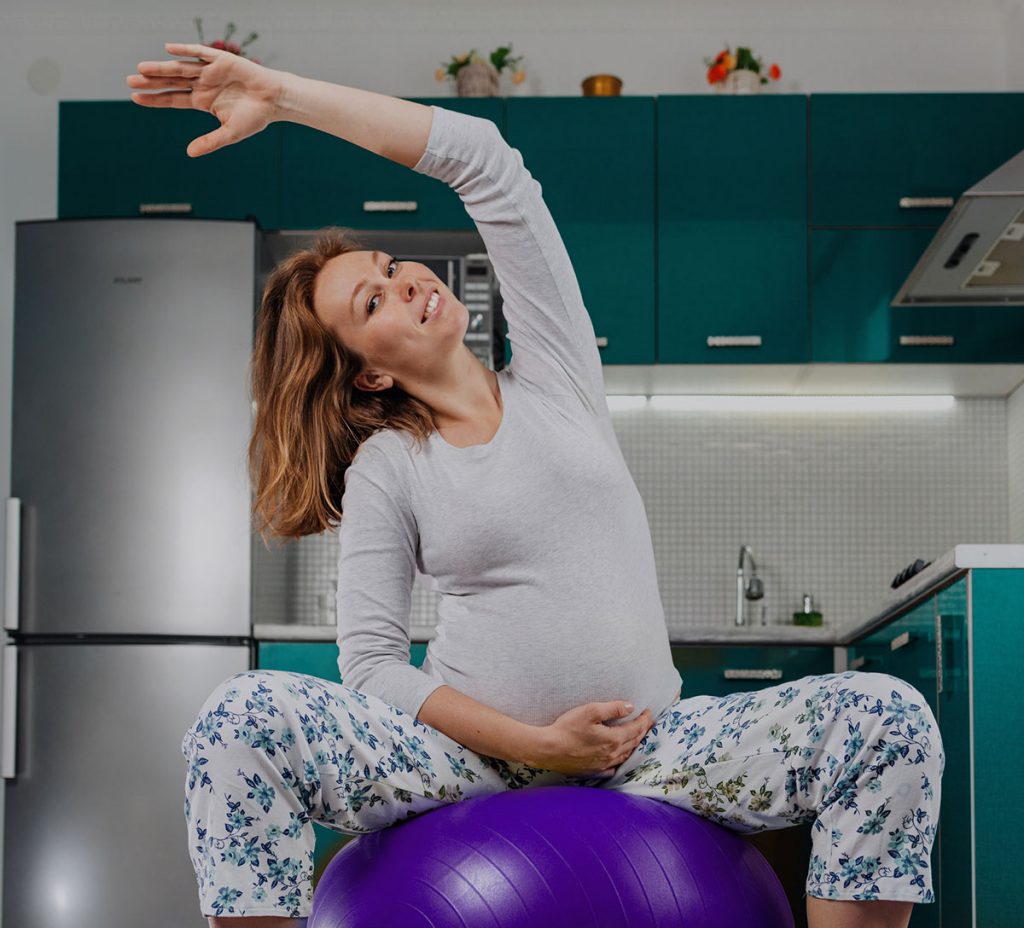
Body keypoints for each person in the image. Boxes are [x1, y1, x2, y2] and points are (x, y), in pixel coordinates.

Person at [128, 44, 944, 928]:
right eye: (373, 305)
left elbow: (487, 164)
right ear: (366, 377)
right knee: (237, 717)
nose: (405, 283)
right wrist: (538, 743)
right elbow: (368, 668)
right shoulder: (389, 465)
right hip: (463, 761)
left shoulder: (556, 372)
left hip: (652, 746)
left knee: (886, 716)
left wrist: (281, 95)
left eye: (390, 266)